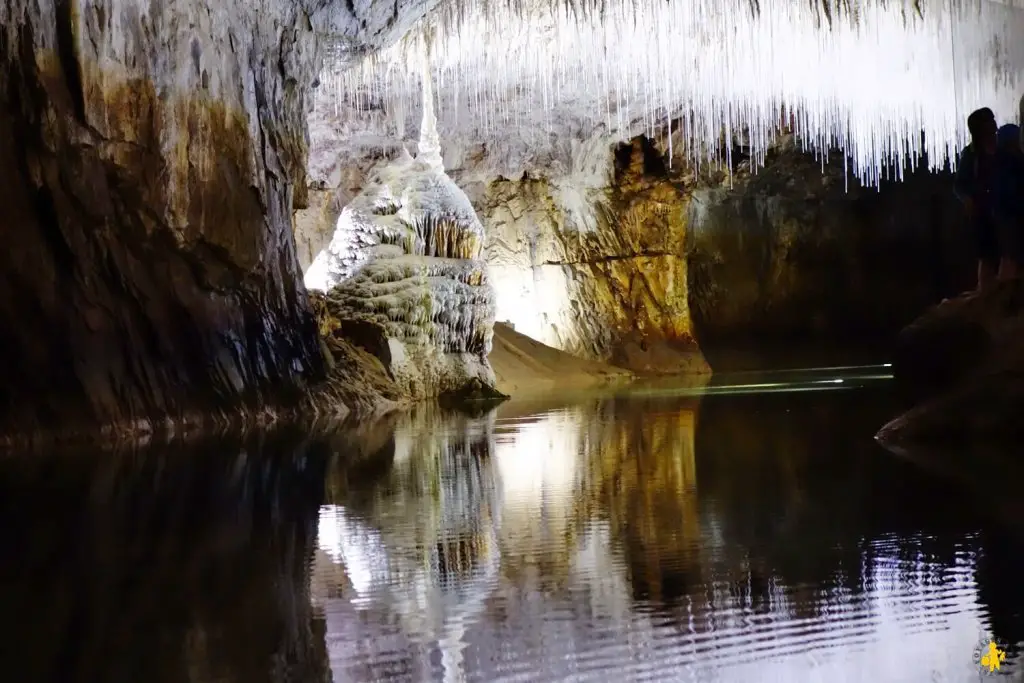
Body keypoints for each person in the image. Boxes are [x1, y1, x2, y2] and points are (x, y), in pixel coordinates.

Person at [954, 108, 1007, 289]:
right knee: (987, 256)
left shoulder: (1002, 151)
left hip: (1003, 210)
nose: (994, 126)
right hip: (983, 213)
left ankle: (999, 291)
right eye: (989, 123)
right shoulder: (971, 155)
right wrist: (968, 199)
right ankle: (986, 292)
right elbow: (959, 185)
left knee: (1005, 253)